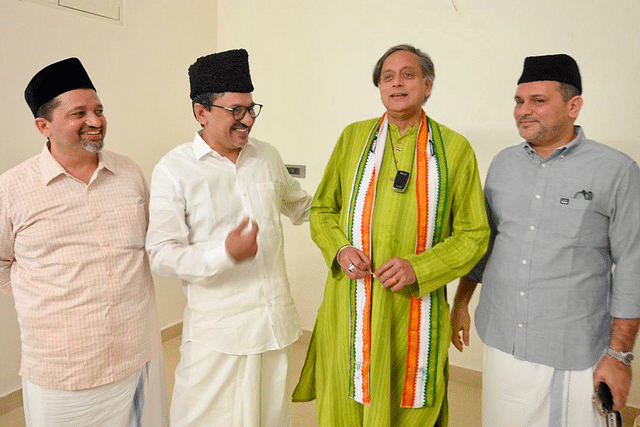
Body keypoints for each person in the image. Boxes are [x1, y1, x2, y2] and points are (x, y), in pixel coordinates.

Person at [292, 44, 490, 426]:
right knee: (346, 395)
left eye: (408, 75)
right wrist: (341, 249)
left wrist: (421, 267)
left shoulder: (454, 149)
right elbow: (322, 209)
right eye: (388, 76)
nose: (397, 83)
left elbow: (474, 232)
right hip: (351, 301)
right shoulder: (354, 139)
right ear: (379, 87)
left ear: (427, 85)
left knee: (409, 402)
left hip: (414, 307)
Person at [451, 54, 640, 427]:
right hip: (503, 337)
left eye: (538, 101)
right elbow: (484, 244)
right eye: (519, 102)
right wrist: (461, 302)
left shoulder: (616, 170)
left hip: (573, 348)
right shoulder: (504, 164)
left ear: (574, 106)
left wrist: (620, 356)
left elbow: (634, 263)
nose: (524, 111)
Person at [145, 48, 312, 427]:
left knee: (272, 419)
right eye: (236, 110)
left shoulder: (266, 156)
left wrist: (360, 210)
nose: (248, 119)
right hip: (218, 337)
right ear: (201, 112)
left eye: (252, 109)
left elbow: (302, 207)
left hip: (274, 327)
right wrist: (224, 252)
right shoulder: (175, 170)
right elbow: (162, 255)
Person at [0, 58, 167, 427]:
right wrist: (41, 295)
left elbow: (154, 242)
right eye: (79, 113)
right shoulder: (12, 188)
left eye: (99, 110)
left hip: (136, 356)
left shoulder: (129, 172)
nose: (95, 121)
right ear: (43, 126)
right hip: (65, 371)